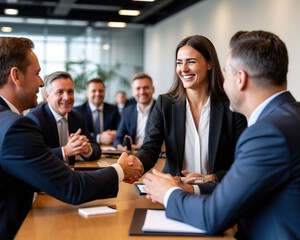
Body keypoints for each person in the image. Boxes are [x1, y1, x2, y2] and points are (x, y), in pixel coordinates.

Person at [143, 30, 300, 239]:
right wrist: (196, 189)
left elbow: (213, 217)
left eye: (227, 73)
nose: (224, 83)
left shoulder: (267, 133)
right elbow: (245, 187)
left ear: (240, 79)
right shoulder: (290, 116)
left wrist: (169, 194)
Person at [0, 36, 142, 240]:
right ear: (16, 76)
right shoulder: (15, 127)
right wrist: (120, 169)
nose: (41, 82)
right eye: (36, 73)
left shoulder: (0, 118)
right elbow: (73, 188)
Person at [125, 35, 247, 189]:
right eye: (179, 63)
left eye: (191, 61)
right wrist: (136, 164)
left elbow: (243, 159)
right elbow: (150, 148)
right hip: (174, 190)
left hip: (218, 192)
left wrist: (212, 177)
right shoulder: (165, 104)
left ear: (209, 64)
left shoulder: (231, 105)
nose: (183, 69)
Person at [27, 71, 101, 169]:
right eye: (60, 92)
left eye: (70, 92)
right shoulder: (35, 119)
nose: (67, 97)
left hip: (73, 175)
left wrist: (87, 150)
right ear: (47, 96)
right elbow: (34, 155)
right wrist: (65, 151)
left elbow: (95, 147)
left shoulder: (77, 117)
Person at [114, 73, 156, 151]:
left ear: (153, 89)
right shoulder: (127, 111)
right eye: (138, 88)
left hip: (155, 156)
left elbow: (166, 141)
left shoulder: (162, 110)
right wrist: (120, 146)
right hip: (132, 155)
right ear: (133, 92)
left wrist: (141, 147)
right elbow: (118, 138)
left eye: (146, 87)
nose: (142, 92)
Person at [74, 78, 120, 145]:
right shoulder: (77, 111)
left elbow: (120, 130)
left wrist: (114, 134)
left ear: (104, 92)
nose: (97, 94)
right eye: (94, 91)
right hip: (87, 149)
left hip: (109, 148)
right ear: (87, 93)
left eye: (100, 91)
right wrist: (98, 138)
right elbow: (78, 135)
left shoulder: (113, 109)